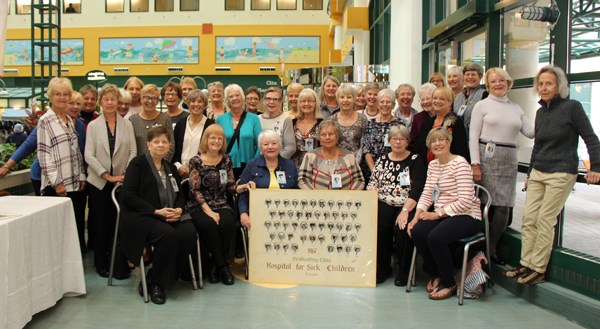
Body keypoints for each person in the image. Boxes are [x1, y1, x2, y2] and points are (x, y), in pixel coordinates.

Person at [505, 65, 600, 284]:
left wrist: (596, 167)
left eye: (549, 83)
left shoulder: (572, 107)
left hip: (562, 172)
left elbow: (591, 138)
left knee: (545, 219)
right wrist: (529, 173)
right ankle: (525, 263)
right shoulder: (540, 112)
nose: (544, 87)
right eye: (541, 84)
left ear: (559, 86)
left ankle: (538, 268)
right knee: (529, 220)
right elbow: (537, 145)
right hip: (539, 171)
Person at [119, 126, 197, 305]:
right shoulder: (137, 164)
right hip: (144, 215)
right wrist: (156, 211)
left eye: (164, 142)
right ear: (148, 144)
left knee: (189, 233)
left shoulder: (169, 166)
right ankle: (156, 284)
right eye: (156, 142)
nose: (160, 145)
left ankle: (160, 275)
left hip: (169, 214)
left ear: (169, 145)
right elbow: (128, 196)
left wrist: (178, 209)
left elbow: (180, 195)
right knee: (168, 235)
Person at [469, 68, 534, 265]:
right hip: (486, 157)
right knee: (483, 205)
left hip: (508, 159)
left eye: (502, 80)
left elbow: (531, 132)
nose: (498, 84)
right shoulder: (481, 105)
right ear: (488, 85)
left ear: (508, 83)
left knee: (504, 207)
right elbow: (473, 136)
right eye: (494, 81)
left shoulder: (516, 108)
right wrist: (475, 164)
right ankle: (477, 246)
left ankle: (492, 247)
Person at [407, 127, 482, 300]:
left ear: (449, 142)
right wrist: (417, 215)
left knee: (436, 237)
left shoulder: (460, 163)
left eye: (441, 139)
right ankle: (436, 274)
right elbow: (427, 193)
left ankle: (449, 282)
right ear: (429, 146)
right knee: (417, 231)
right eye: (433, 141)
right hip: (443, 214)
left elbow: (466, 200)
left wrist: (436, 214)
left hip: (467, 215)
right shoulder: (433, 165)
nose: (437, 143)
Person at [85, 83, 137, 279]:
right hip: (99, 183)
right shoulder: (93, 126)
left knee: (119, 224)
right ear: (101, 102)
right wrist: (106, 175)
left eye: (113, 99)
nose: (109, 102)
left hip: (121, 183)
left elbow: (133, 151)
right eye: (106, 99)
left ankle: (118, 262)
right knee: (100, 224)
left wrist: (124, 174)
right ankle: (101, 263)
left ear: (118, 102)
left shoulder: (127, 124)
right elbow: (89, 155)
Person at [366, 125, 425, 286]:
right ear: (389, 141)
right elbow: (373, 182)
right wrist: (372, 189)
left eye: (402, 139)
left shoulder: (415, 160)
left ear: (407, 141)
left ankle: (404, 270)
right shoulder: (383, 159)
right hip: (384, 201)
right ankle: (383, 268)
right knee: (380, 226)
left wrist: (405, 210)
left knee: (402, 229)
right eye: (394, 139)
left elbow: (418, 189)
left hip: (407, 203)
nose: (397, 142)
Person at [37, 77, 87, 252]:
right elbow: (43, 155)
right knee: (56, 231)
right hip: (56, 185)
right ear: (51, 95)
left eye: (65, 94)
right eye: (58, 94)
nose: (62, 98)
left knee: (71, 228)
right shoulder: (45, 121)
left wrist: (81, 175)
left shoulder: (69, 119)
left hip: (73, 184)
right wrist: (57, 182)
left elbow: (76, 152)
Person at [186, 125, 236, 285]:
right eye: (212, 138)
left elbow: (230, 185)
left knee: (228, 223)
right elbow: (195, 191)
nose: (216, 141)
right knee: (209, 224)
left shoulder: (226, 159)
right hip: (199, 205)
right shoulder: (196, 161)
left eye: (219, 138)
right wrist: (210, 212)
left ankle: (215, 266)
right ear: (206, 140)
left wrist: (243, 186)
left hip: (221, 203)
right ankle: (223, 267)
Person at [237, 130, 298, 229]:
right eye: (266, 144)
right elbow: (243, 193)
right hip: (259, 214)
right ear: (261, 147)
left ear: (280, 145)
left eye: (274, 143)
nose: (270, 147)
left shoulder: (290, 165)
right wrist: (243, 213)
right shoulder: (252, 165)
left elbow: (297, 192)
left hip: (286, 214)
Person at [298, 120, 365, 190]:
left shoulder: (349, 156)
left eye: (331, 134)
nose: (327, 137)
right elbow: (303, 179)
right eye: (323, 134)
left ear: (337, 136)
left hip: (345, 199)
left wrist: (350, 196)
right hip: (318, 199)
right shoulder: (310, 156)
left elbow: (359, 179)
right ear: (319, 138)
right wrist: (315, 196)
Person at [216, 84, 262, 179]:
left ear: (243, 98)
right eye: (231, 96)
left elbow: (260, 145)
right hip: (226, 166)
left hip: (249, 166)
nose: (234, 98)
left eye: (237, 95)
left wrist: (254, 164)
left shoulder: (254, 119)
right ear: (227, 101)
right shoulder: (220, 120)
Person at [415, 86, 469, 167]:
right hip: (429, 171)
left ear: (450, 102)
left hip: (451, 169)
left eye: (442, 99)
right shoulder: (427, 123)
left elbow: (462, 150)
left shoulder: (455, 122)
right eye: (435, 98)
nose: (437, 101)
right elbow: (421, 149)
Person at [172, 89, 214, 178]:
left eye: (200, 101)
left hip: (201, 174)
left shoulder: (210, 124)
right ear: (188, 104)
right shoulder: (181, 123)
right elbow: (173, 147)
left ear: (205, 105)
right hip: (179, 173)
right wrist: (178, 166)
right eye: (193, 101)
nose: (196, 104)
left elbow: (211, 151)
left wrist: (195, 169)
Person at [129, 84, 175, 160]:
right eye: (146, 97)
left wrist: (159, 165)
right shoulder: (133, 120)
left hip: (160, 166)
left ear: (157, 101)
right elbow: (131, 148)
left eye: (154, 98)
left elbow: (171, 145)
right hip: (139, 167)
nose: (150, 101)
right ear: (141, 99)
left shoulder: (165, 118)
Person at [363, 88, 403, 174]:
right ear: (377, 104)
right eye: (382, 102)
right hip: (370, 171)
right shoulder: (370, 124)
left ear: (393, 105)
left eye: (388, 102)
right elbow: (366, 148)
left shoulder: (400, 124)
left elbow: (402, 148)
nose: (384, 104)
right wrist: (373, 170)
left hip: (393, 170)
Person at [330, 84, 368, 162]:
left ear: (354, 99)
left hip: (358, 164)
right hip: (337, 164)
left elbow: (365, 144)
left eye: (349, 97)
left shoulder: (362, 119)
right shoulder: (332, 120)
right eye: (342, 97)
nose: (345, 100)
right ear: (337, 99)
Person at [259, 87, 296, 159]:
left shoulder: (286, 119)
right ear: (264, 101)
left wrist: (275, 161)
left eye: (275, 99)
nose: (271, 102)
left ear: (280, 102)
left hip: (280, 165)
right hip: (259, 164)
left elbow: (290, 148)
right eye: (268, 99)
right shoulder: (257, 119)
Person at [291, 88, 323, 168]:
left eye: (310, 101)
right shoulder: (292, 123)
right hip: (294, 167)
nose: (306, 104)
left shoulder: (322, 124)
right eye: (303, 101)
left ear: (316, 103)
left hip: (316, 166)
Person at [454, 63, 488, 135]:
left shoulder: (484, 95)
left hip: (477, 137)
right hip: (459, 138)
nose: (470, 77)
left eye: (473, 74)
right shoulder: (458, 97)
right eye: (467, 74)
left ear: (480, 77)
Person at [410, 83, 437, 150]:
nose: (425, 102)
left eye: (428, 98)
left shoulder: (447, 116)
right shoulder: (417, 118)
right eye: (422, 99)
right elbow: (414, 142)